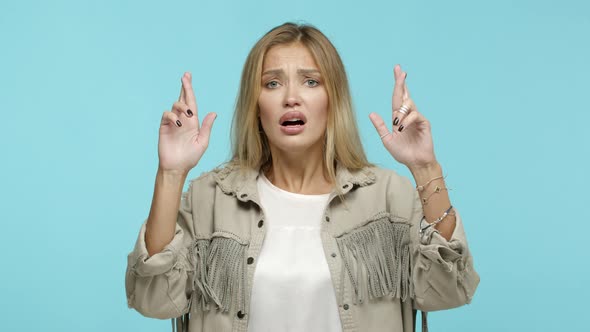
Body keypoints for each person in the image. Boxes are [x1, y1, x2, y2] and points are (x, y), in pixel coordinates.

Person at [125, 22, 479, 332]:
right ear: (255, 103)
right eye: (272, 83)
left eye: (310, 81)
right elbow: (154, 300)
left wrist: (424, 167)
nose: (291, 97)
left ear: (332, 98)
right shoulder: (211, 197)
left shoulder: (388, 196)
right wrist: (171, 173)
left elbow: (449, 290)